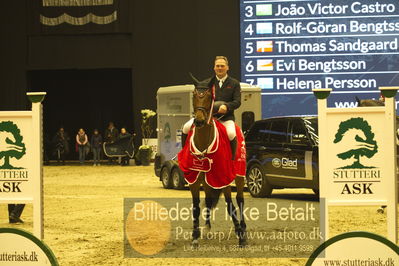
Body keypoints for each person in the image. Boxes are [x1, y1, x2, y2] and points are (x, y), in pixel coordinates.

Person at [182, 56, 241, 160]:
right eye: (217, 66)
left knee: (231, 133)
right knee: (186, 127)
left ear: (227, 67)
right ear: (214, 68)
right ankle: (184, 155)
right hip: (207, 117)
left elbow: (237, 102)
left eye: (222, 66)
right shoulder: (206, 83)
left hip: (225, 118)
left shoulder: (234, 83)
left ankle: (232, 159)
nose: (220, 68)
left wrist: (227, 106)